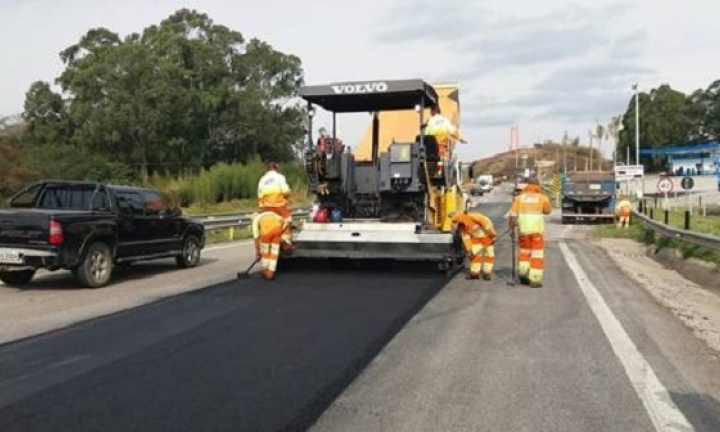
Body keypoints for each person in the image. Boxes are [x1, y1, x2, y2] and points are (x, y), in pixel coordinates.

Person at [508, 177, 552, 288]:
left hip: (523, 231)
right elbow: (547, 211)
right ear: (538, 185)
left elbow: (513, 216)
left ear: (527, 185)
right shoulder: (543, 198)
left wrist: (511, 230)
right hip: (537, 231)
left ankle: (523, 274)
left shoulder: (518, 198)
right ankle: (535, 280)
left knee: (524, 253)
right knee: (537, 255)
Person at [451, 210, 497, 280]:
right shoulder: (462, 228)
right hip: (476, 238)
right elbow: (466, 238)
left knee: (489, 255)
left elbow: (487, 224)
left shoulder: (475, 217)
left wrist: (493, 235)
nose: (460, 228)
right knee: (475, 255)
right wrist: (469, 250)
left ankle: (487, 273)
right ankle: (474, 273)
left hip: (487, 236)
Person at [423, 105, 465, 176]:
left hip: (430, 149)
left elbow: (426, 135)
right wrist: (460, 139)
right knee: (450, 158)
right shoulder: (445, 121)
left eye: (430, 111)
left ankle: (430, 173)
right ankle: (440, 174)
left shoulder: (429, 121)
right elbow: (453, 131)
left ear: (433, 111)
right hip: (442, 148)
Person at [251, 211, 293, 280]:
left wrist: (258, 253)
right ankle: (270, 272)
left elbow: (256, 238)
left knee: (266, 253)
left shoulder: (256, 220)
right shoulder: (271, 214)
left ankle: (265, 271)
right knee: (274, 253)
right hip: (278, 229)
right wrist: (285, 241)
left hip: (267, 232)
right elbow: (284, 223)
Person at [257, 161, 292, 244]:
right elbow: (286, 191)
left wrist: (263, 207)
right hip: (279, 206)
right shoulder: (280, 177)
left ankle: (267, 240)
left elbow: (259, 194)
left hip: (266, 207)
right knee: (287, 219)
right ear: (276, 168)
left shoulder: (262, 179)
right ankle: (286, 241)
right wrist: (288, 196)